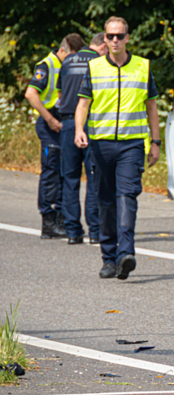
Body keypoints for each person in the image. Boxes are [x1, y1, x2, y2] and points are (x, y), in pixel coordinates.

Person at [74, 17, 161, 280]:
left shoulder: (143, 68)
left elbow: (152, 107)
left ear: (128, 38)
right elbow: (82, 105)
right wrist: (79, 129)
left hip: (131, 145)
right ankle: (108, 259)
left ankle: (126, 254)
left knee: (127, 197)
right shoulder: (95, 67)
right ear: (105, 38)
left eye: (119, 36)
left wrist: (155, 143)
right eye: (110, 36)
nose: (114, 40)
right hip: (100, 145)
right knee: (105, 201)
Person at [25, 33, 85, 238]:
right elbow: (30, 94)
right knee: (51, 171)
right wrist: (50, 119)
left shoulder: (67, 64)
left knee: (63, 171)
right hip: (50, 121)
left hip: (63, 122)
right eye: (72, 57)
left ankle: (61, 217)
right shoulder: (47, 65)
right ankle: (49, 221)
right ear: (62, 51)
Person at [57, 32, 107, 244]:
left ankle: (72, 231)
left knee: (70, 179)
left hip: (68, 124)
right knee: (94, 177)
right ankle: (95, 231)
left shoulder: (67, 61)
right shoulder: (99, 62)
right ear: (103, 46)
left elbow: (60, 95)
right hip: (91, 123)